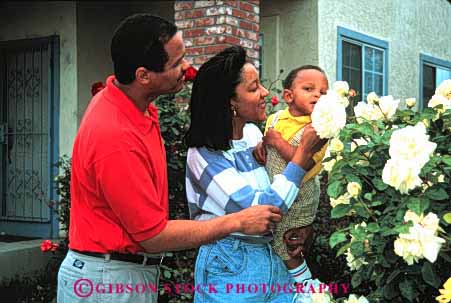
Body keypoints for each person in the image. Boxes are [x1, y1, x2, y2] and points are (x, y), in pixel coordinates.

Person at [57, 14, 289, 303]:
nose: (186, 68)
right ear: (143, 76)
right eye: (176, 63)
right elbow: (152, 236)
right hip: (107, 280)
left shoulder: (136, 106)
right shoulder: (115, 136)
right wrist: (236, 222)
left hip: (119, 271)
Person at [185, 46, 327, 303]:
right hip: (230, 265)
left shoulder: (253, 135)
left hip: (271, 256)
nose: (264, 93)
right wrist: (302, 156)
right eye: (253, 89)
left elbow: (286, 189)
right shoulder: (204, 155)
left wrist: (300, 227)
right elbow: (264, 209)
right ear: (230, 102)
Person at [254, 66, 329, 286]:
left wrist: (276, 142)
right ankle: (283, 285)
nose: (317, 95)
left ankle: (308, 288)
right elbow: (269, 140)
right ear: (288, 96)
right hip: (279, 190)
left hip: (301, 197)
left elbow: (302, 162)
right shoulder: (275, 119)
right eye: (309, 89)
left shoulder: (319, 130)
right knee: (272, 238)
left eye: (323, 93)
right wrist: (262, 146)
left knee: (286, 242)